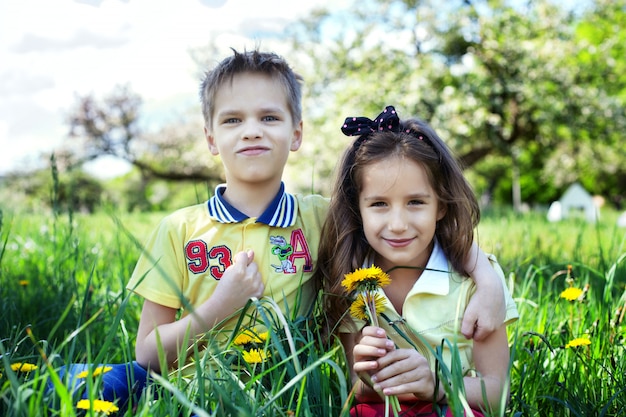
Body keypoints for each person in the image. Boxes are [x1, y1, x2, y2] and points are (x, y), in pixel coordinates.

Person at [52, 51, 506, 411]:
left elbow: (419, 233)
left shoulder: (322, 217)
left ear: (296, 133)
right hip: (176, 391)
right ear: (211, 138)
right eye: (233, 120)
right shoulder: (177, 228)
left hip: (285, 393)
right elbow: (148, 355)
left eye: (269, 117)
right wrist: (220, 306)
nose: (251, 131)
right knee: (66, 391)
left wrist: (486, 281)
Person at [315, 106, 519, 416]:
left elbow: (497, 393)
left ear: (441, 205)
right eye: (379, 204)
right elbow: (356, 386)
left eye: (415, 202)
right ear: (358, 209)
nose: (398, 224)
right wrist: (371, 378)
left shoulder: (475, 285)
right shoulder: (352, 281)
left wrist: (437, 385)